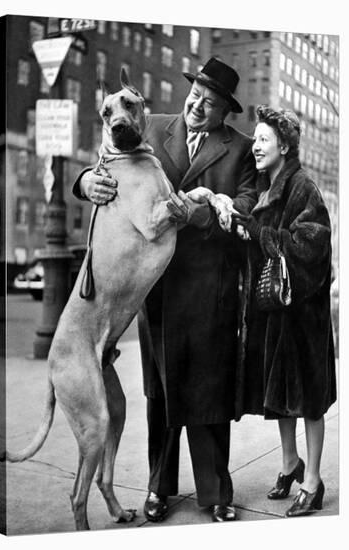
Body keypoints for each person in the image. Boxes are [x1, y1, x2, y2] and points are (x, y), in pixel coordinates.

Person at [73, 57, 257, 522]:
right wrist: (84, 181)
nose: (198, 106)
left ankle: (215, 494)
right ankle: (159, 487)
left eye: (210, 103)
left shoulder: (240, 149)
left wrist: (198, 214)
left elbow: (247, 207)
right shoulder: (146, 124)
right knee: (161, 393)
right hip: (155, 287)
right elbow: (102, 162)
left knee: (209, 393)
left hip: (209, 289)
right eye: (196, 95)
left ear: (224, 112)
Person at [234, 105, 336, 517]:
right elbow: (262, 248)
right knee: (280, 397)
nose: (255, 146)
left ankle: (312, 480)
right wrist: (246, 231)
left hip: (302, 318)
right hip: (274, 310)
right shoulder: (265, 186)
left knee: (308, 399)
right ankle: (289, 464)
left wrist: (258, 232)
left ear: (285, 145)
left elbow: (311, 248)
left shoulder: (302, 187)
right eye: (255, 139)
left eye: (262, 140)